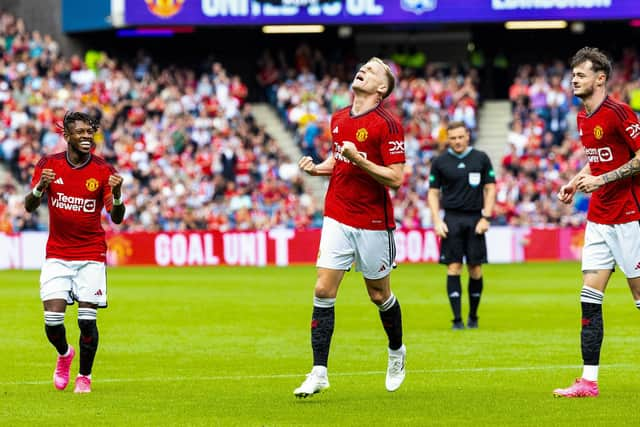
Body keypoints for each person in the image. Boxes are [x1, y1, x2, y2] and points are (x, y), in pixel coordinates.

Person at [293, 57, 406, 398]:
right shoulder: (339, 117)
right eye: (364, 66)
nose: (363, 70)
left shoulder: (388, 124)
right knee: (323, 290)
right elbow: (339, 160)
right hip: (337, 214)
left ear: (381, 88)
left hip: (373, 221)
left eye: (372, 70)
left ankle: (396, 351)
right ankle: (319, 371)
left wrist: (361, 159)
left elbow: (397, 178)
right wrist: (318, 169)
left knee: (378, 294)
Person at [553, 47, 640, 398]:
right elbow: (598, 160)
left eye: (582, 74)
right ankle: (588, 381)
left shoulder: (619, 111)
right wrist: (576, 180)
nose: (574, 79)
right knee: (589, 298)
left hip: (630, 216)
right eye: (573, 74)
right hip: (599, 218)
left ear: (600, 78)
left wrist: (601, 181)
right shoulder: (583, 116)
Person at [24, 111, 125, 393]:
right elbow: (29, 206)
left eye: (89, 132)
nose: (86, 136)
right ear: (66, 136)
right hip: (57, 255)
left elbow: (116, 217)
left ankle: (85, 376)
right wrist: (40, 187)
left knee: (86, 320)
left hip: (91, 255)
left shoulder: (104, 170)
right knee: (52, 322)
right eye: (79, 132)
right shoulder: (49, 165)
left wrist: (117, 196)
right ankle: (64, 354)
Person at [427, 121, 496, 330]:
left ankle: (473, 316)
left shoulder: (481, 158)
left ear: (468, 136)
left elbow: (490, 188)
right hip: (451, 219)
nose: (457, 141)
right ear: (448, 139)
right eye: (453, 138)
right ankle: (457, 320)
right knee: (453, 267)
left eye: (460, 137)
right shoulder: (440, 162)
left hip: (475, 219)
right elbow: (432, 192)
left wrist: (486, 217)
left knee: (475, 268)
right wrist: (437, 220)